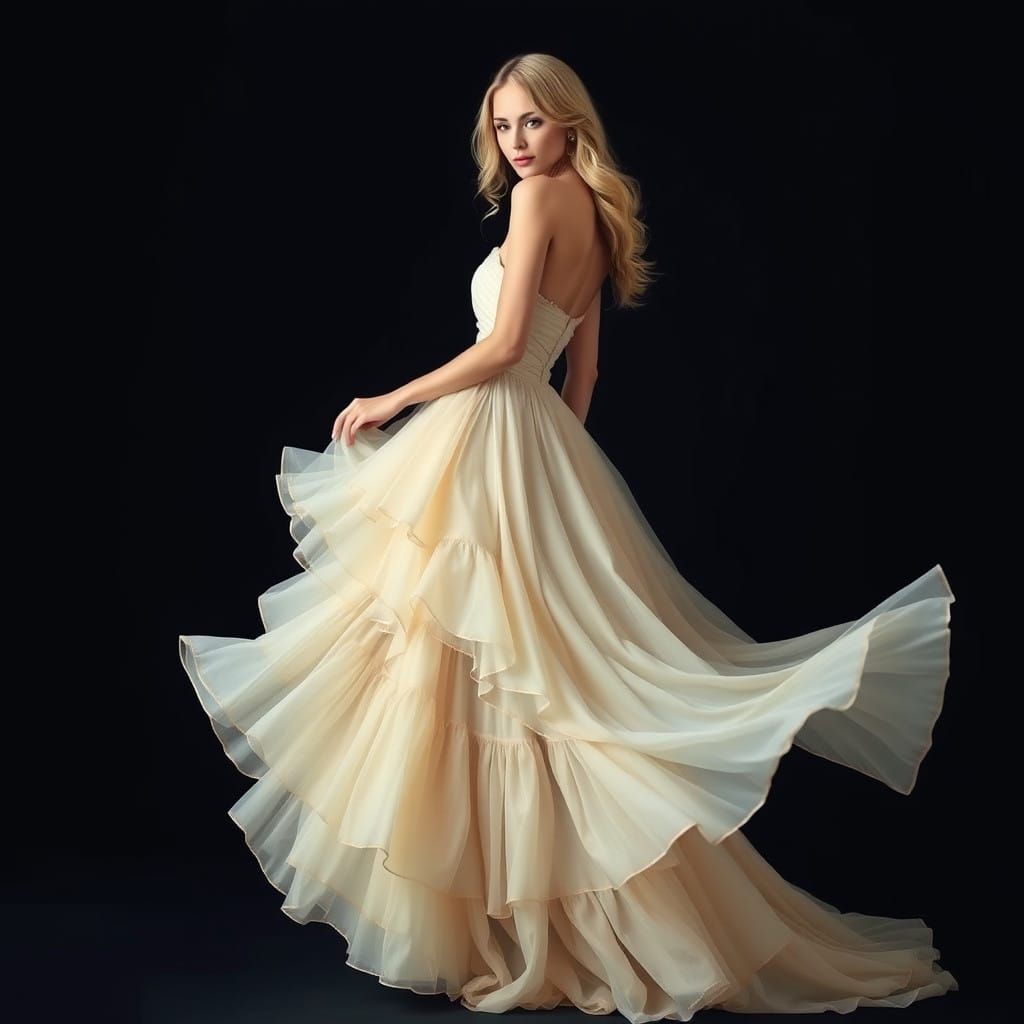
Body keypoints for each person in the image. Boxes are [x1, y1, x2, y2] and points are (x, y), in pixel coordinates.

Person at [178, 53, 958, 1020]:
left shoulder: (542, 200)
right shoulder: (598, 216)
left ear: (568, 126)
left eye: (533, 123)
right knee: (524, 678)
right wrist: (553, 475)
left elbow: (506, 350)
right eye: (503, 126)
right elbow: (577, 382)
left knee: (478, 668)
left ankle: (505, 924)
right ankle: (521, 924)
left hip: (494, 430)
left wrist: (392, 397)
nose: (516, 142)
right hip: (534, 441)